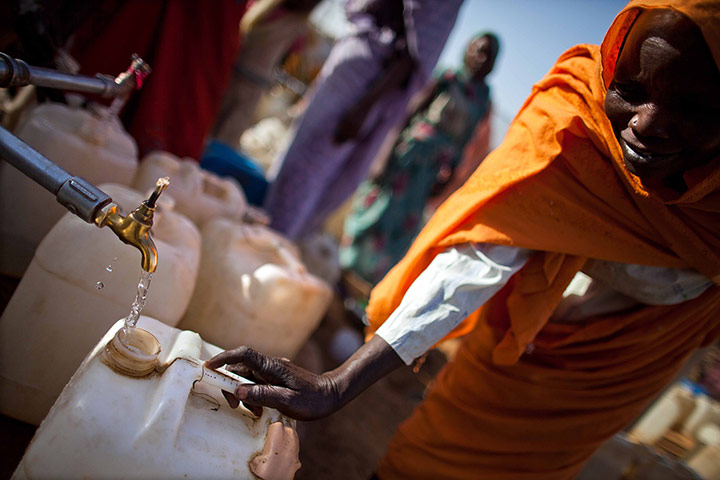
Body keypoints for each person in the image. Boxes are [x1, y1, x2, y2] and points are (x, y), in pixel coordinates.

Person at [207, 1, 720, 478]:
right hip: (509, 342)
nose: (645, 124)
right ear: (612, 64)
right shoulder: (574, 122)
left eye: (694, 108)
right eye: (631, 87)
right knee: (432, 446)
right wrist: (339, 382)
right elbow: (483, 252)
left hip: (628, 363)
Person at [263, 0, 464, 241]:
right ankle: (272, 240)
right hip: (370, 68)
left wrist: (363, 107)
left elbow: (408, 54)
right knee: (305, 173)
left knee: (302, 173)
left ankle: (268, 240)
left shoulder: (389, 44)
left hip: (370, 73)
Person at [340, 33, 499, 286]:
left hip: (430, 173)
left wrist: (448, 176)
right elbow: (410, 114)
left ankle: (369, 284)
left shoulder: (483, 99)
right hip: (407, 157)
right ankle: (344, 269)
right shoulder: (448, 78)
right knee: (377, 210)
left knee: (403, 225)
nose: (481, 58)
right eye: (478, 50)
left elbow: (465, 140)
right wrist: (385, 155)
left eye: (488, 56)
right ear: (467, 49)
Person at [211, 0, 322, 147]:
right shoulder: (297, 26)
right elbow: (304, 48)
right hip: (255, 82)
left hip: (234, 70)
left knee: (213, 116)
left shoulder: (262, 8)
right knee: (231, 130)